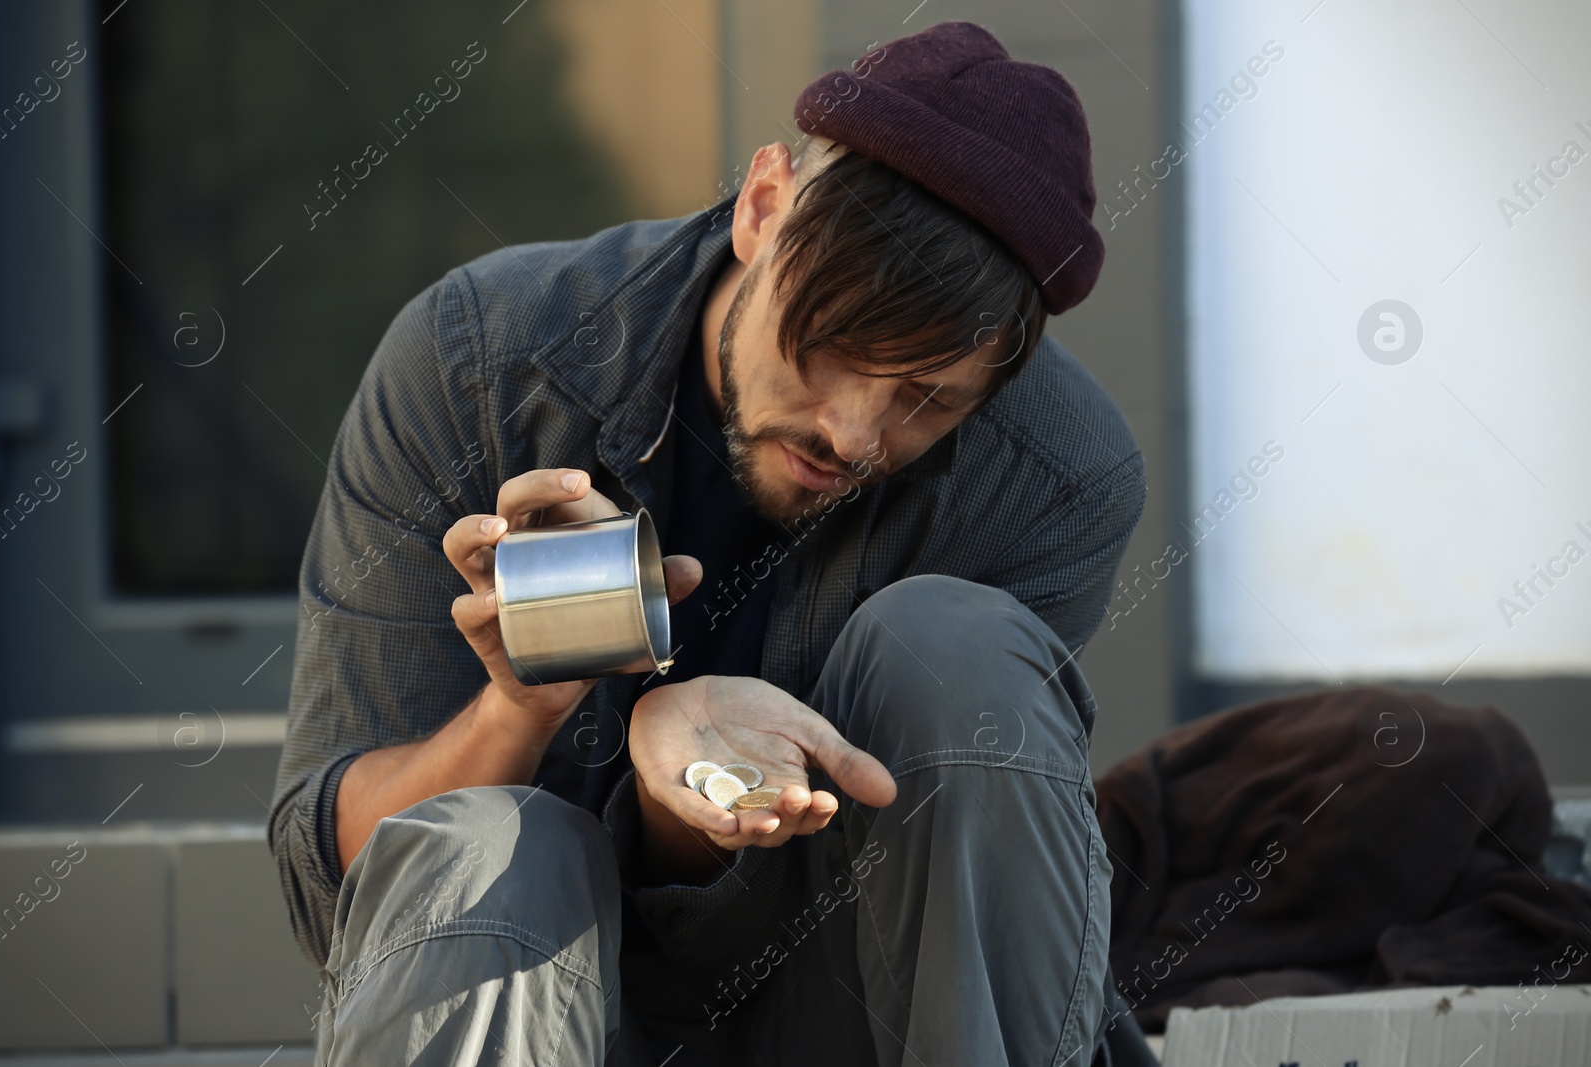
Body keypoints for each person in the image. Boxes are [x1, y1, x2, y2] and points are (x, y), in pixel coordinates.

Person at [269, 19, 1152, 1067]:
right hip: (537, 1009)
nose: (854, 435)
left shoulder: (1051, 474)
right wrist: (520, 702)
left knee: (949, 644)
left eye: (926, 398)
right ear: (763, 206)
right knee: (486, 836)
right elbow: (339, 889)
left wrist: (686, 786)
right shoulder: (481, 364)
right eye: (826, 349)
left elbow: (966, 888)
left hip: (850, 1011)